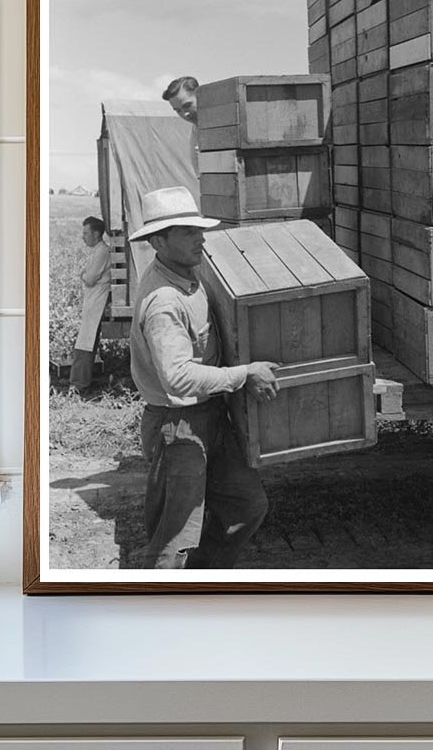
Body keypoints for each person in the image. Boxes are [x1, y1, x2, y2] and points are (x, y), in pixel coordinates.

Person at [128, 186, 279, 569]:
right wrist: (244, 374)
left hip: (208, 417)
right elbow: (177, 377)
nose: (201, 238)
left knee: (246, 505)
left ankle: (199, 582)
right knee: (175, 537)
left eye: (199, 229)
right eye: (187, 232)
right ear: (158, 241)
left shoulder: (188, 275)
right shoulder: (164, 301)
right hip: (177, 426)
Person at [69, 215, 111, 392]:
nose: (83, 236)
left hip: (97, 301)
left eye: (86, 233)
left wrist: (82, 275)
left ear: (96, 234)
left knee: (86, 341)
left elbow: (90, 278)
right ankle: (80, 381)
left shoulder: (102, 252)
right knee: (86, 340)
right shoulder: (98, 251)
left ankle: (79, 384)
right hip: (93, 300)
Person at [162, 76, 200, 178]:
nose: (185, 114)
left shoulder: (223, 124)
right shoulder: (196, 129)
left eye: (187, 105)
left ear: (200, 95)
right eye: (178, 110)